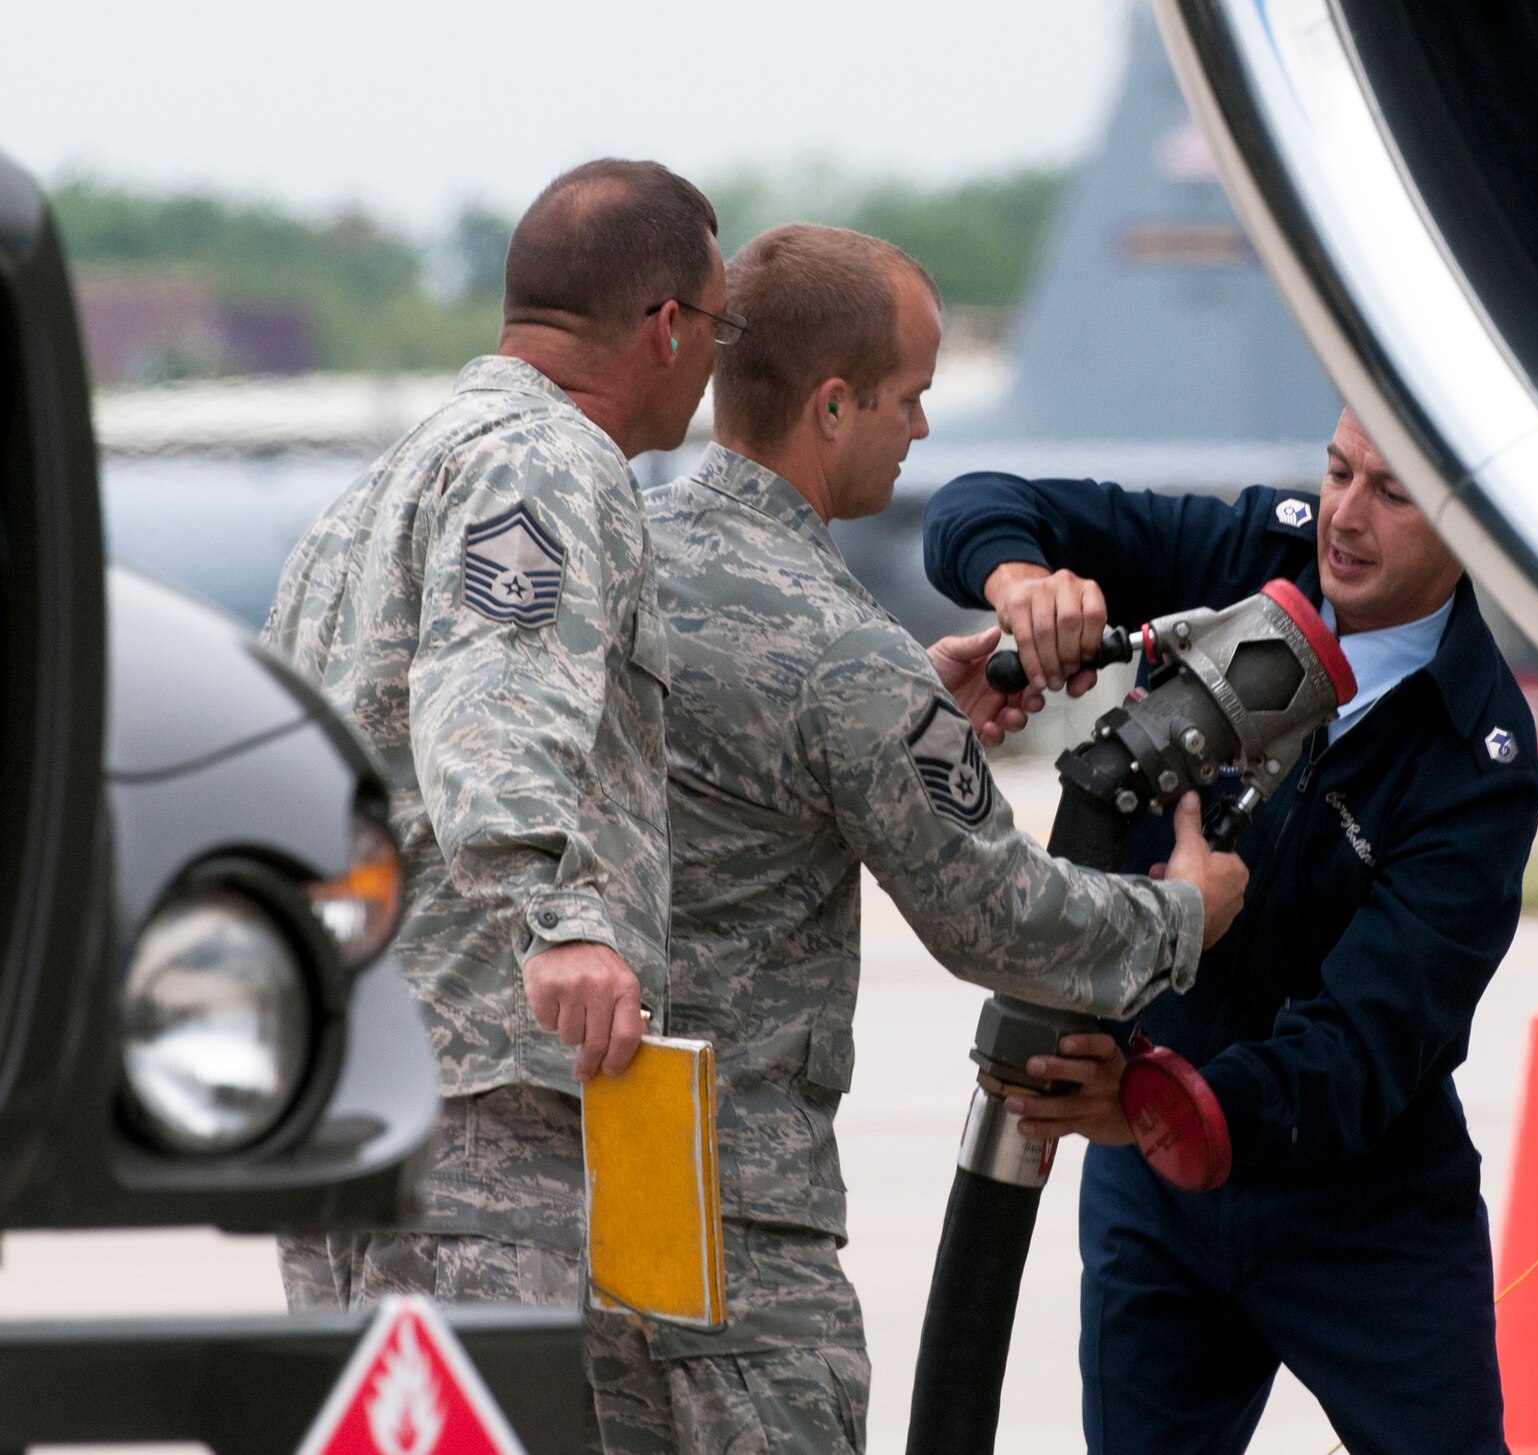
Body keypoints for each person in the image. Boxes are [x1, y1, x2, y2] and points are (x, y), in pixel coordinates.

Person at [603, 223, 1250, 1454]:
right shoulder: (841, 656)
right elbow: (1006, 920)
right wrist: (1184, 912)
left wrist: (910, 716)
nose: (923, 431)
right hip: (735, 1217)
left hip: (593, 1180)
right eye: (911, 398)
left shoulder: (626, 559)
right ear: (833, 407)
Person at [922, 411, 1538, 1455]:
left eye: (1391, 494)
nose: (1342, 518)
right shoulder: (1247, 556)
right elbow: (974, 505)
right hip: (1153, 1187)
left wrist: (1154, 1109)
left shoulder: (1474, 761)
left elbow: (1362, 1046)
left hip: (1361, 1204)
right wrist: (1020, 587)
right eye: (1338, 472)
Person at [262, 158, 729, 1447]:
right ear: (666, 326)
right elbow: (495, 707)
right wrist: (561, 917)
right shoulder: (542, 465)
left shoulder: (384, 487)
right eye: (717, 328)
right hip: (478, 1102)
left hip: (348, 1092)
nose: (709, 366)